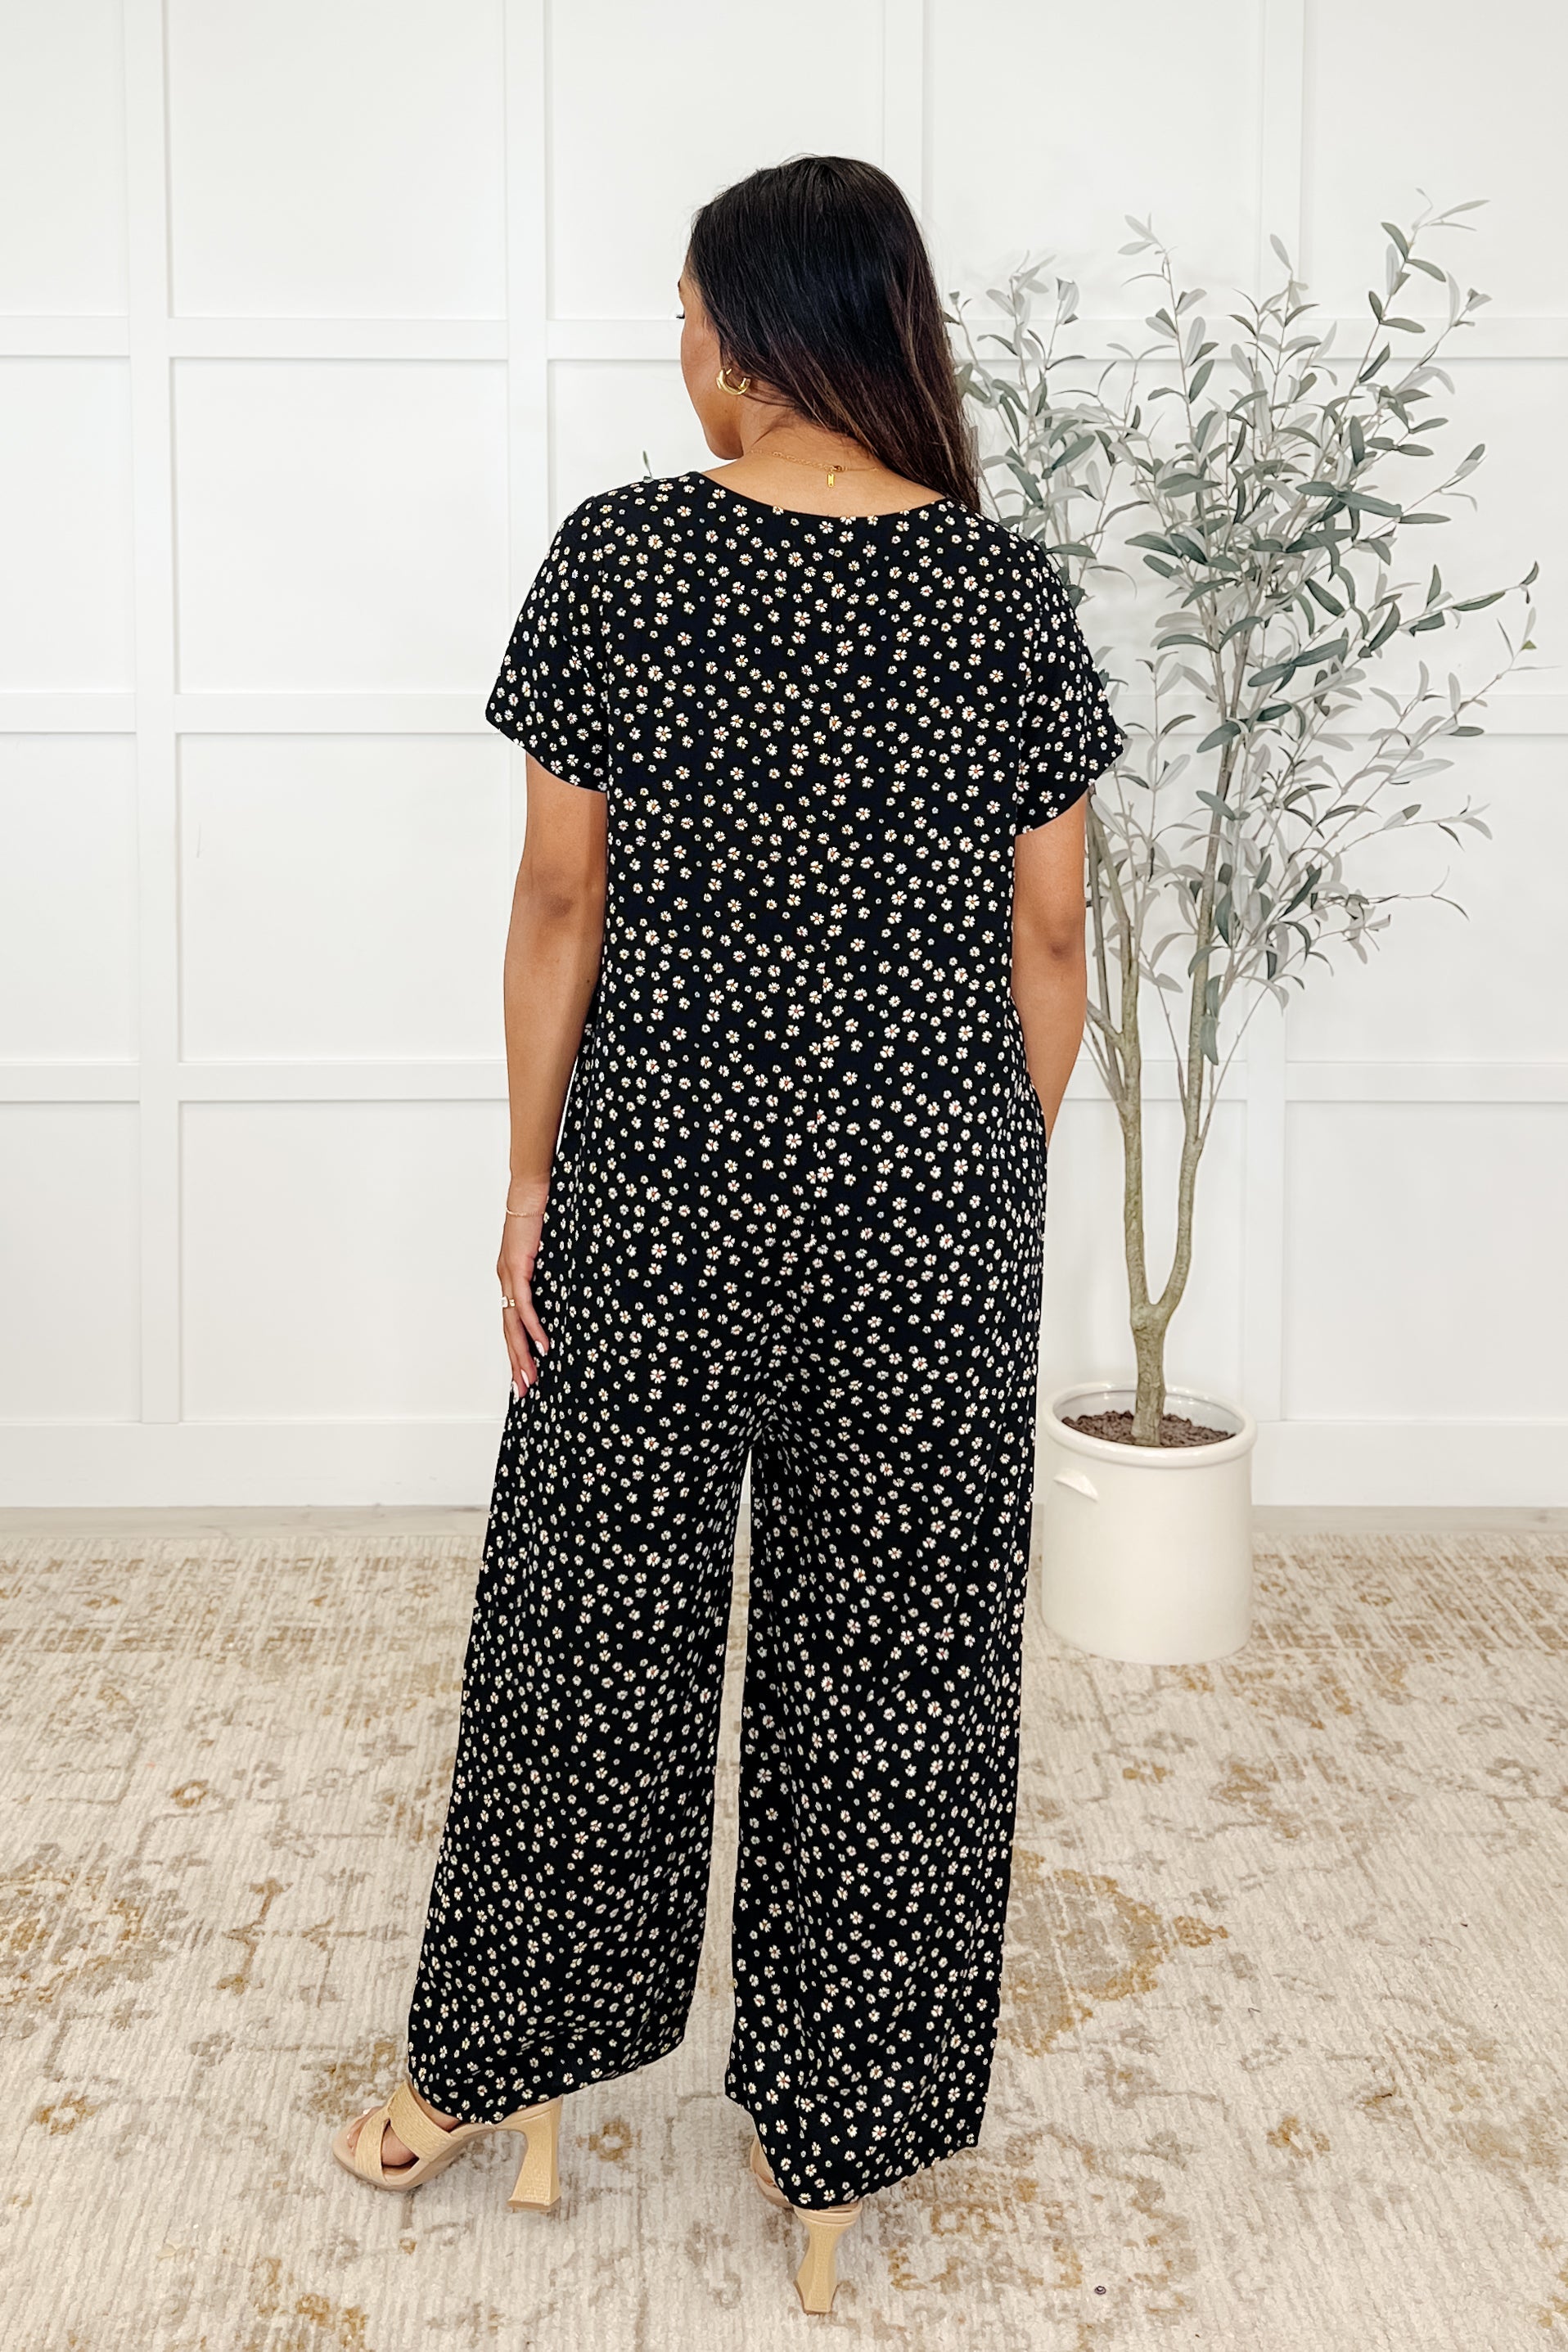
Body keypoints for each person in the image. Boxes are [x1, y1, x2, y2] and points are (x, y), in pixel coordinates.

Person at [331, 153, 1123, 2316]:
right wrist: (973, 1172)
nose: (676, 350)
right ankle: (833, 2137)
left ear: (760, 332)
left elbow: (556, 896)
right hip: (928, 1217)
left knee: (588, 1640)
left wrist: (529, 1181)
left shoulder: (624, 557)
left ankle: (497, 2064)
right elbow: (1054, 940)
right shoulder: (1005, 592)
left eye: (686, 313)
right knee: (899, 1676)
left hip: (659, 1199)